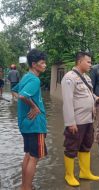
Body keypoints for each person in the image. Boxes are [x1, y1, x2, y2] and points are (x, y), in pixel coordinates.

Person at [61, 52, 99, 186]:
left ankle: (84, 172)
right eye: (88, 62)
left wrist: (96, 98)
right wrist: (70, 122)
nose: (91, 65)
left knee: (86, 145)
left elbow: (87, 94)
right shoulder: (69, 78)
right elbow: (67, 101)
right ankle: (69, 175)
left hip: (88, 119)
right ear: (80, 62)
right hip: (77, 121)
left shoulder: (87, 77)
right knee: (71, 147)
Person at [12, 49, 47, 190]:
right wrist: (34, 107)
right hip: (35, 125)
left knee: (28, 155)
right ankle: (27, 188)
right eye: (42, 63)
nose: (45, 65)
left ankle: (24, 186)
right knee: (34, 157)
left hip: (25, 124)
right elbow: (22, 96)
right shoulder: (35, 79)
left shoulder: (26, 76)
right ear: (34, 64)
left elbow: (15, 91)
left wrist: (25, 108)